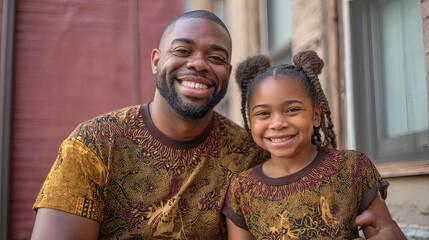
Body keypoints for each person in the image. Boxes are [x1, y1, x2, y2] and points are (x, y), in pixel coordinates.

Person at [31, 10, 405, 240]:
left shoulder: (248, 153)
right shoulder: (94, 143)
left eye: (216, 56)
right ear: (156, 60)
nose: (199, 64)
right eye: (183, 50)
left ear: (227, 72)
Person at [222, 51, 406, 239]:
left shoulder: (352, 167)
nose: (277, 123)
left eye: (292, 110)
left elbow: (386, 232)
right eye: (263, 113)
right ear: (251, 122)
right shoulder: (242, 189)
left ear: (316, 115)